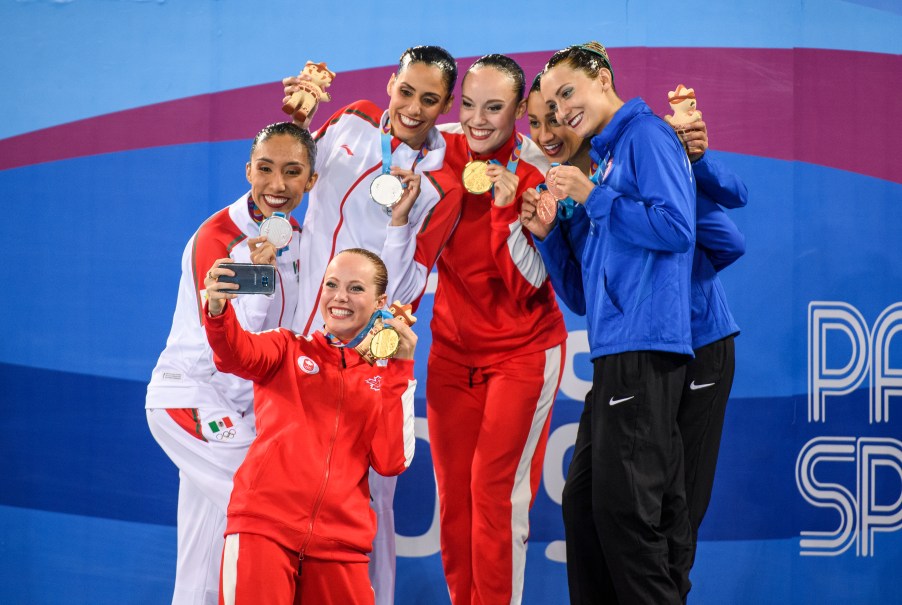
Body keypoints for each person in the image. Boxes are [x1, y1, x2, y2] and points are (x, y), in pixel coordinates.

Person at [281, 45, 463, 605]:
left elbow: (406, 290)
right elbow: (297, 188)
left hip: (364, 357)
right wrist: (299, 123)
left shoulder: (443, 183)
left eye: (429, 100)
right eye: (406, 91)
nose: (413, 108)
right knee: (278, 490)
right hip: (292, 339)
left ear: (445, 105)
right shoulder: (351, 119)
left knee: (368, 500)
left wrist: (402, 221)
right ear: (391, 83)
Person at [392, 54, 569, 604]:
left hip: (523, 352)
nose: (478, 119)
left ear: (519, 110)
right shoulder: (438, 150)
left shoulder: (538, 172)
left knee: (496, 496)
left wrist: (504, 209)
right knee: (456, 504)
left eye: (494, 108)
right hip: (451, 353)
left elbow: (528, 284)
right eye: (468, 104)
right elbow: (385, 125)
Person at [533, 42, 697, 604]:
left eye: (566, 92)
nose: (559, 112)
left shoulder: (646, 135)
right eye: (551, 105)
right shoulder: (603, 157)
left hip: (645, 347)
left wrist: (594, 198)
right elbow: (580, 295)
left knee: (627, 518)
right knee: (584, 508)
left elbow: (677, 229)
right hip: (614, 354)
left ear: (601, 76)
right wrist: (550, 234)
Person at [145, 122, 317, 605]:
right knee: (269, 508)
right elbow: (233, 348)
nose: (277, 186)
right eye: (265, 169)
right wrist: (260, 270)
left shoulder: (301, 242)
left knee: (200, 563)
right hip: (192, 400)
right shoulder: (219, 238)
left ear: (311, 181)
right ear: (248, 171)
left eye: (292, 172)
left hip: (246, 414)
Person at [203, 248, 418, 605]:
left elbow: (390, 460)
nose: (339, 297)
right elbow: (233, 352)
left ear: (381, 301)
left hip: (340, 548)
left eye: (355, 288)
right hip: (263, 529)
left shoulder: (385, 377)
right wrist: (217, 310)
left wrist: (399, 370)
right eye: (331, 284)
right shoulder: (287, 347)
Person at [671, 118, 748, 568]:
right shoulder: (585, 179)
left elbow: (731, 237)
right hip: (640, 353)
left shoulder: (650, 154)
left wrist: (692, 165)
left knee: (683, 495)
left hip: (702, 340)